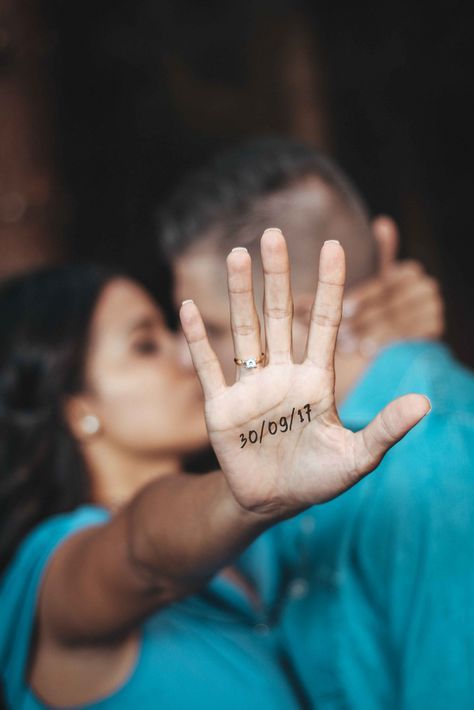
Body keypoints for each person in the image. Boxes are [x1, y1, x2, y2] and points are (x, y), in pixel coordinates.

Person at [0, 245, 428, 709]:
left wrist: (377, 339)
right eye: (145, 345)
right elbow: (141, 548)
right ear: (78, 409)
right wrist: (239, 500)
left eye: (170, 331)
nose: (186, 356)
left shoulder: (258, 551)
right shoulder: (53, 572)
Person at [158, 137, 474, 709]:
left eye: (213, 329)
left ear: (300, 313)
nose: (185, 359)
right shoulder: (280, 442)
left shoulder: (440, 457)